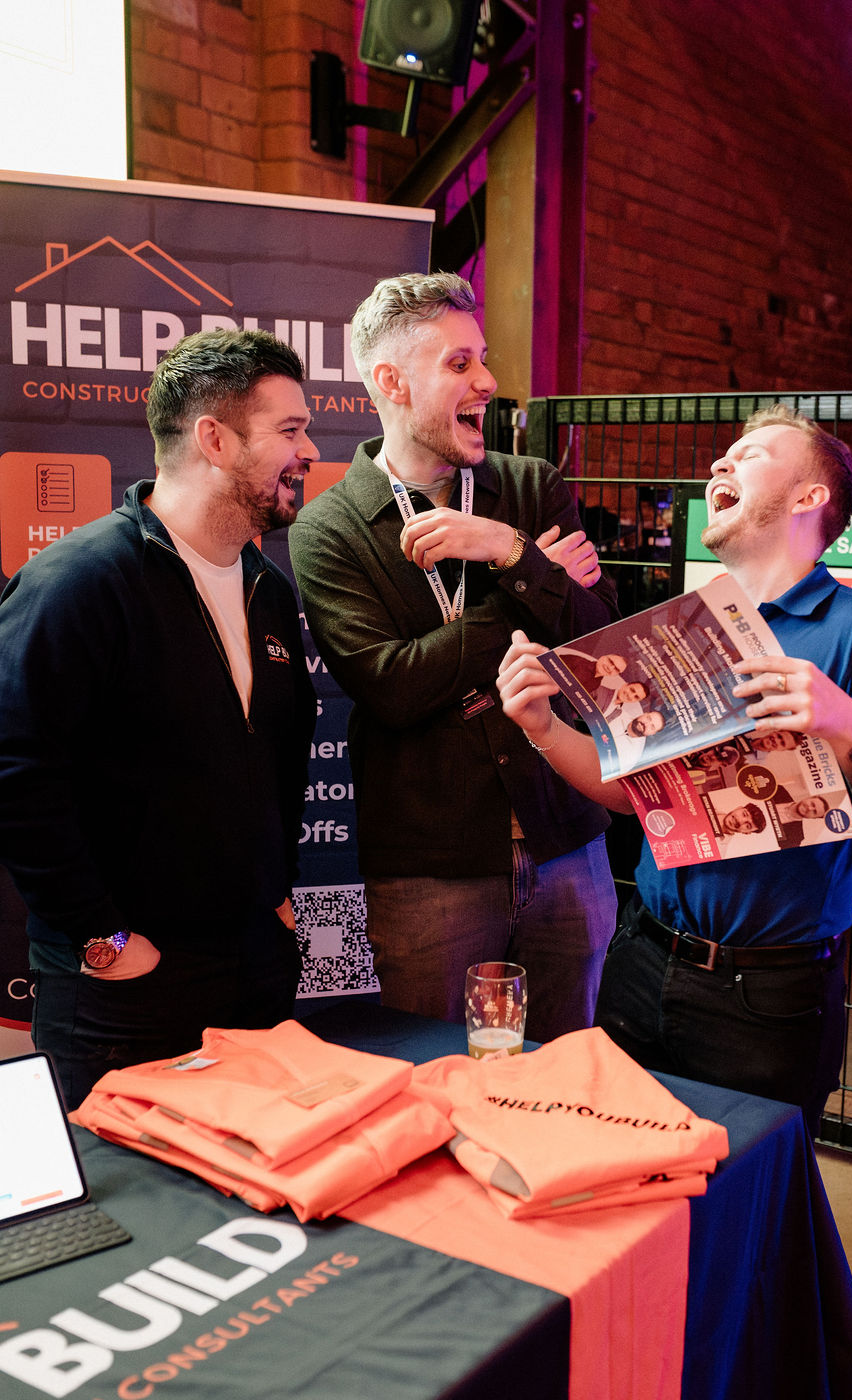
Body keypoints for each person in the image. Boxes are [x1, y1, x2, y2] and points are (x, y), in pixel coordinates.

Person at [497, 401, 852, 1132]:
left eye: (752, 454)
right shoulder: (689, 622)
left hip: (767, 996)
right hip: (640, 959)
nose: (720, 463)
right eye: (726, 454)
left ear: (809, 496)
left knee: (746, 1187)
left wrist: (844, 723)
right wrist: (542, 727)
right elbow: (633, 795)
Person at [289, 271, 619, 1040]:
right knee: (438, 1080)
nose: (488, 381)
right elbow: (393, 688)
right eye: (459, 363)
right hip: (428, 875)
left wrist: (506, 545)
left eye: (483, 358)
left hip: (567, 849)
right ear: (391, 381)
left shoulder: (531, 487)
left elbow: (596, 641)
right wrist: (524, 581)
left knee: (568, 1078)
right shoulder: (328, 529)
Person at [0, 329, 319, 1109]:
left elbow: (282, 762)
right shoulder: (78, 582)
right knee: (129, 1191)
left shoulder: (269, 590)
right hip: (126, 995)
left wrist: (278, 898)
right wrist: (103, 939)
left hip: (255, 973)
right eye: (289, 429)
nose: (309, 451)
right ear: (215, 439)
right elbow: (15, 774)